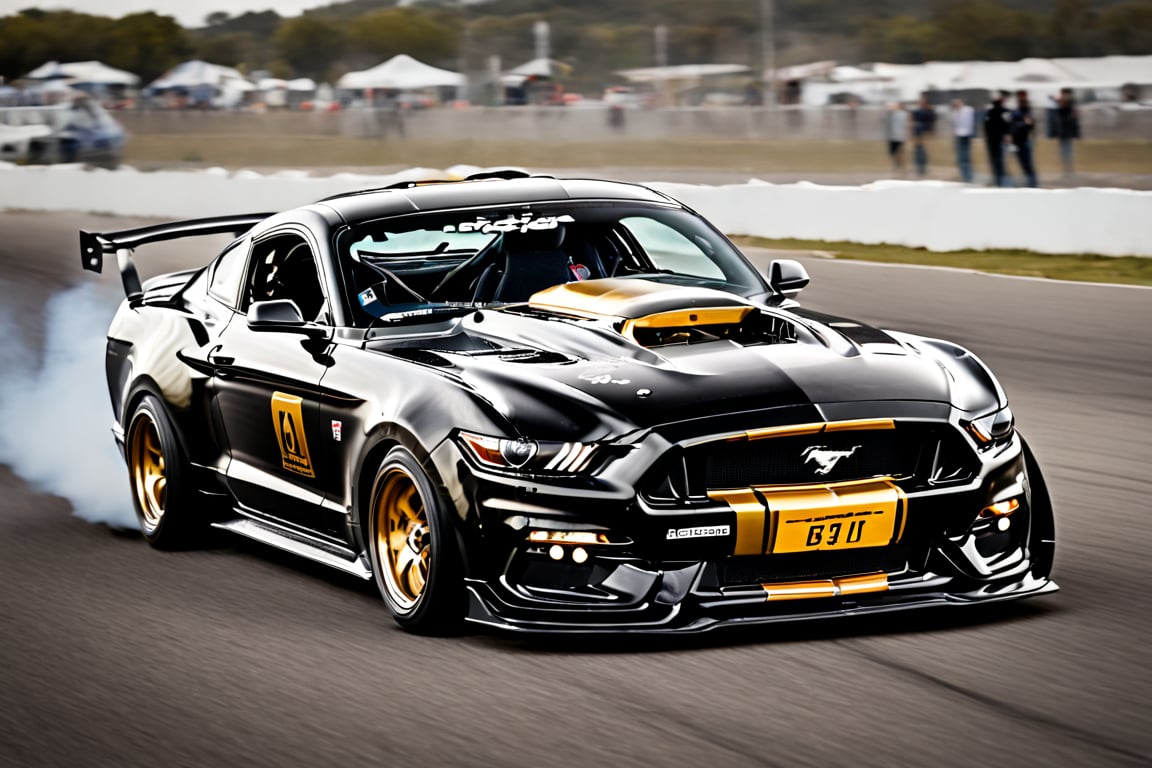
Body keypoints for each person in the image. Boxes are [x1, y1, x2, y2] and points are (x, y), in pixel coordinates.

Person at [1048, 88, 1081, 178]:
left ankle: (1069, 172)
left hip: (1067, 132)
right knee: (1064, 153)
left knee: (1067, 153)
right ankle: (1067, 171)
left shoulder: (1069, 103)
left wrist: (1056, 100)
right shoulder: (1064, 104)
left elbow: (1064, 106)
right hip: (1063, 133)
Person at [983, 90, 1012, 187]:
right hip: (991, 140)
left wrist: (1007, 135)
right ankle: (997, 181)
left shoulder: (1005, 111)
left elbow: (1007, 125)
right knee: (994, 162)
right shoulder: (990, 111)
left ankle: (1004, 183)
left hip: (1000, 140)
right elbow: (986, 126)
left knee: (1001, 162)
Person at [1009, 90, 1038, 187]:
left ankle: (1033, 185)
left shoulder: (1027, 110)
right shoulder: (1016, 111)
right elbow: (1013, 125)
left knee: (1028, 165)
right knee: (1022, 164)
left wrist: (1019, 125)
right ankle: (1029, 184)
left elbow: (1029, 125)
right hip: (1017, 141)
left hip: (1025, 141)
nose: (1021, 98)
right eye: (1019, 96)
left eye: (1022, 96)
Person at [910, 95, 937, 177]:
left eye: (923, 103)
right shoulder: (917, 111)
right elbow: (912, 118)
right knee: (917, 150)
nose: (921, 104)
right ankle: (919, 168)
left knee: (923, 151)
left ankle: (923, 168)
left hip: (925, 133)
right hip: (917, 133)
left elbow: (932, 120)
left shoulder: (929, 112)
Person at [951, 97, 976, 182]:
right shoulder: (955, 113)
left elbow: (970, 122)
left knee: (965, 157)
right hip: (959, 135)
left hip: (966, 135)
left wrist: (970, 134)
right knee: (960, 158)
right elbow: (956, 125)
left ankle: (969, 177)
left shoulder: (968, 110)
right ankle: (965, 176)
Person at [884, 102, 909, 175]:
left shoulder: (903, 114)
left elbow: (906, 125)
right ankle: (895, 165)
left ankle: (901, 166)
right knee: (892, 152)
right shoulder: (890, 115)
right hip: (892, 136)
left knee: (900, 152)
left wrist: (906, 135)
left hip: (900, 136)